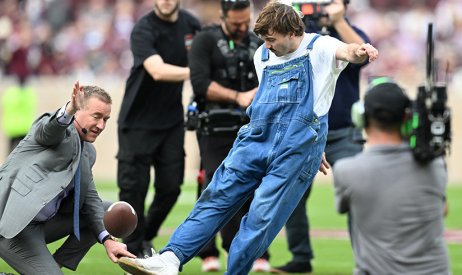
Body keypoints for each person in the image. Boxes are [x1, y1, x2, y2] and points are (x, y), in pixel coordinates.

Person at [117, 1, 378, 274]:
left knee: (261, 215)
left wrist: (358, 52)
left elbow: (347, 51)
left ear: (291, 33)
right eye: (264, 40)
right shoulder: (262, 56)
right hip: (254, 139)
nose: (266, 46)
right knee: (215, 196)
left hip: (295, 148)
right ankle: (169, 259)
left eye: (271, 39)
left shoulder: (319, 46)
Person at [0, 81, 135, 275]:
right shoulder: (55, 130)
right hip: (6, 224)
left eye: (106, 119)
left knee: (103, 209)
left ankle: (52, 266)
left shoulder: (87, 151)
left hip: (38, 226)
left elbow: (90, 200)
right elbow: (48, 130)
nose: (101, 125)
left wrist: (107, 239)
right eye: (96, 116)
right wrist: (68, 109)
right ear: (77, 111)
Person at [271, 0, 370, 273]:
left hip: (344, 131)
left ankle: (366, 262)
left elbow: (363, 53)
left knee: (356, 196)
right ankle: (300, 257)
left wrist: (338, 21)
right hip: (307, 131)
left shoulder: (351, 31)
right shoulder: (307, 33)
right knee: (292, 196)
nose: (324, 5)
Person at [332, 80, 450, 274]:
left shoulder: (347, 171)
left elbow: (344, 207)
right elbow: (442, 210)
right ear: (407, 117)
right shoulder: (435, 165)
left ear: (361, 118)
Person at [186, 0, 269, 272]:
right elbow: (199, 82)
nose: (243, 27)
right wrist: (238, 97)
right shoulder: (204, 40)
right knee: (218, 186)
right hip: (215, 128)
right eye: (236, 23)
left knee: (256, 187)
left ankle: (256, 251)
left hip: (252, 126)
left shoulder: (258, 41)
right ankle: (214, 251)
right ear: (222, 16)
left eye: (247, 22)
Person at [116, 0, 200, 258]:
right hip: (137, 122)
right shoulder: (143, 28)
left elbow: (203, 57)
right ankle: (132, 252)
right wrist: (199, 72)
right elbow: (156, 70)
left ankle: (146, 236)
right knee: (134, 191)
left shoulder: (191, 25)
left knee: (171, 187)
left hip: (171, 122)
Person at [1, 75, 38, 155]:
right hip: (25, 127)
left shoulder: (9, 93)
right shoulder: (30, 93)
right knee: (25, 153)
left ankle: (8, 167)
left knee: (10, 153)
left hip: (12, 127)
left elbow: (5, 105)